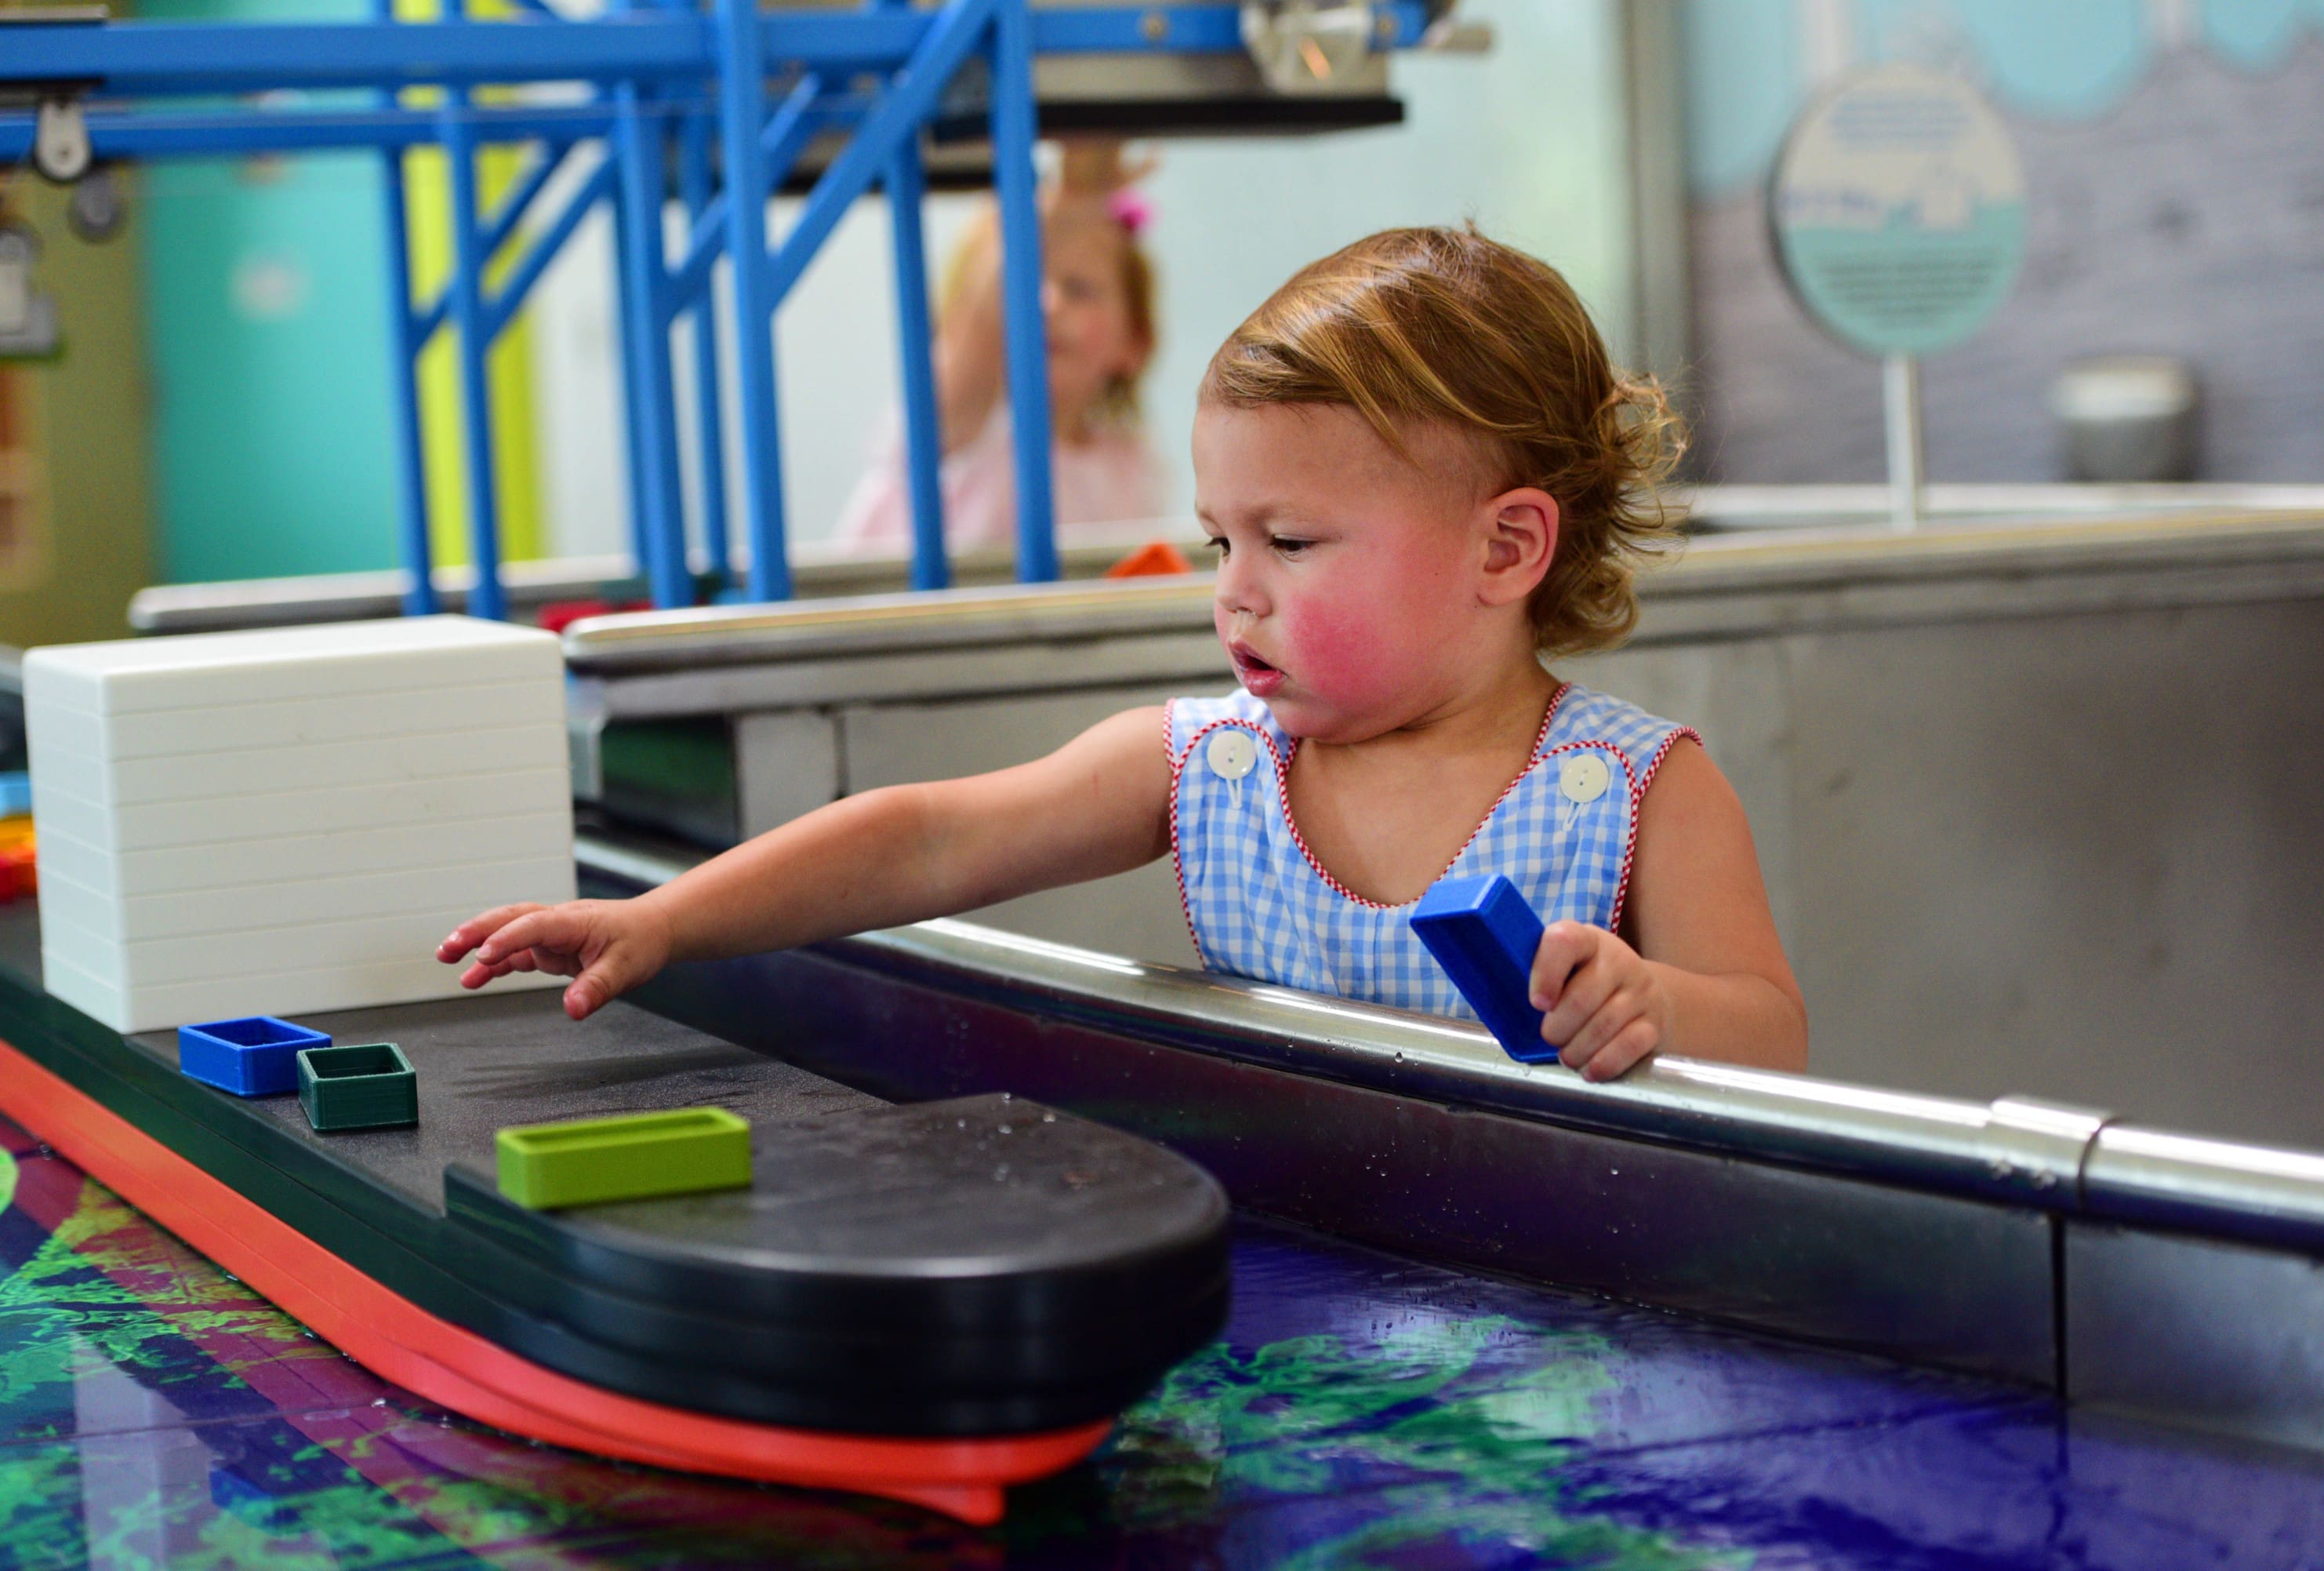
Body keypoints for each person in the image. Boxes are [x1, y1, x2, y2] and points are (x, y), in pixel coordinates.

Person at [443, 227, 1807, 1082]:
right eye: (1222, 540)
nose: (1236, 593)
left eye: (1292, 541)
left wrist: (1649, 1003)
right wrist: (664, 921)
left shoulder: (1636, 791)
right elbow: (928, 839)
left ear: (1505, 547)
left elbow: (1774, 1031)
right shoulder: (1212, 768)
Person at [834, 141, 1167, 551]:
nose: (1047, 303)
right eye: (1022, 284)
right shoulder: (963, 424)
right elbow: (980, 333)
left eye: (1079, 289)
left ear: (1135, 342)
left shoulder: (1129, 463)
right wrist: (1072, 202)